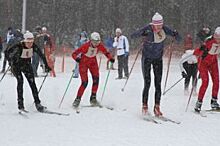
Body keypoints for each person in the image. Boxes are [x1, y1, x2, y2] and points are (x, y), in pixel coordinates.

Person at [131, 12, 181, 116]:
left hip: (158, 59)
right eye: (157, 26)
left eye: (160, 25)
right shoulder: (148, 29)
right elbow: (133, 35)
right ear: (153, 24)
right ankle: (144, 106)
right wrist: (141, 33)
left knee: (158, 84)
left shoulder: (165, 29)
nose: (159, 28)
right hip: (147, 59)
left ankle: (157, 107)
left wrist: (176, 34)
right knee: (147, 83)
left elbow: (179, 39)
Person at [5, 31, 51, 112]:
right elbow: (7, 52)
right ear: (24, 41)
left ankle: (38, 104)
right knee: (20, 81)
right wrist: (10, 61)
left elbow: (41, 55)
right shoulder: (18, 46)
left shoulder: (33, 46)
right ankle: (20, 105)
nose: (30, 44)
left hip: (26, 65)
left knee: (32, 83)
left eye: (31, 42)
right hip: (16, 66)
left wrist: (46, 66)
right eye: (28, 42)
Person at [72, 32, 115, 108]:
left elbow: (106, 52)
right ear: (91, 41)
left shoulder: (99, 45)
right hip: (83, 63)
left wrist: (110, 58)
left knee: (96, 80)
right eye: (95, 42)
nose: (96, 44)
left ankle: (93, 98)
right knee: (85, 82)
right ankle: (77, 100)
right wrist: (77, 58)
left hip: (93, 62)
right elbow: (74, 54)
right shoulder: (85, 46)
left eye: (98, 42)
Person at [193, 27, 220, 112]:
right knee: (205, 82)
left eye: (219, 38)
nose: (217, 39)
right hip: (203, 63)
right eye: (216, 37)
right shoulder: (209, 41)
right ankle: (199, 102)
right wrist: (201, 50)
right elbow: (196, 52)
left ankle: (214, 102)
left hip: (213, 63)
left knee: (216, 81)